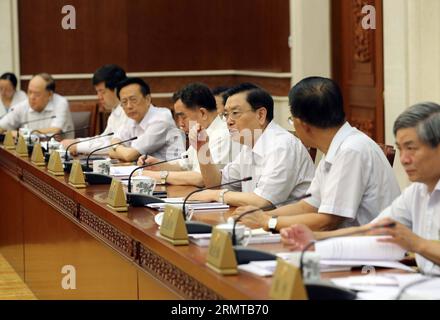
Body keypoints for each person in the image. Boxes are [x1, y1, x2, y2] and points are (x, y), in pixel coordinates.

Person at [281, 102, 440, 275]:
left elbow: (410, 242)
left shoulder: (352, 149)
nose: (404, 159)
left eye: (411, 148)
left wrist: (416, 243)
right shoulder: (417, 191)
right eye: (400, 149)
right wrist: (315, 239)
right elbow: (372, 231)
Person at [234, 77, 400, 232]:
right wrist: (261, 216)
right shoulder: (335, 148)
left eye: (292, 120)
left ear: (303, 124)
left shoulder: (352, 150)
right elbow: (308, 206)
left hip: (371, 255)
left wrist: (268, 222)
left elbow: (328, 221)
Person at [189, 83, 315, 208]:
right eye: (226, 114)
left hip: (287, 225)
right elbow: (217, 184)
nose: (228, 121)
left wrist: (216, 195)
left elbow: (263, 202)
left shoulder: (282, 146)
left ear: (261, 115)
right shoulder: (249, 145)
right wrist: (202, 148)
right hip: (256, 222)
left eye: (235, 113)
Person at [137, 83, 237, 187]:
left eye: (183, 117)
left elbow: (202, 178)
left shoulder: (223, 135)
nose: (180, 124)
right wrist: (157, 165)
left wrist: (155, 176)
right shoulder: (201, 131)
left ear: (202, 113)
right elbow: (185, 165)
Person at [109, 77, 185, 162]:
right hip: (148, 171)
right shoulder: (132, 119)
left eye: (133, 100)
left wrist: (116, 148)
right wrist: (117, 147)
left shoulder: (161, 119)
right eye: (124, 102)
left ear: (148, 99)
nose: (129, 106)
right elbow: (112, 147)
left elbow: (130, 155)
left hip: (171, 171)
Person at [61, 64, 128, 154]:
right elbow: (104, 138)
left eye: (102, 92)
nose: (99, 97)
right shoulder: (116, 109)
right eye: (97, 92)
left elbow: (116, 146)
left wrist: (78, 146)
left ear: (117, 89)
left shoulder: (129, 110)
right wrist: (77, 142)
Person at [0, 73, 74, 137]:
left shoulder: (61, 103)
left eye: (37, 94)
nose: (31, 97)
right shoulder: (23, 106)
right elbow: (2, 125)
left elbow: (54, 131)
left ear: (50, 94)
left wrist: (20, 133)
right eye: (29, 92)